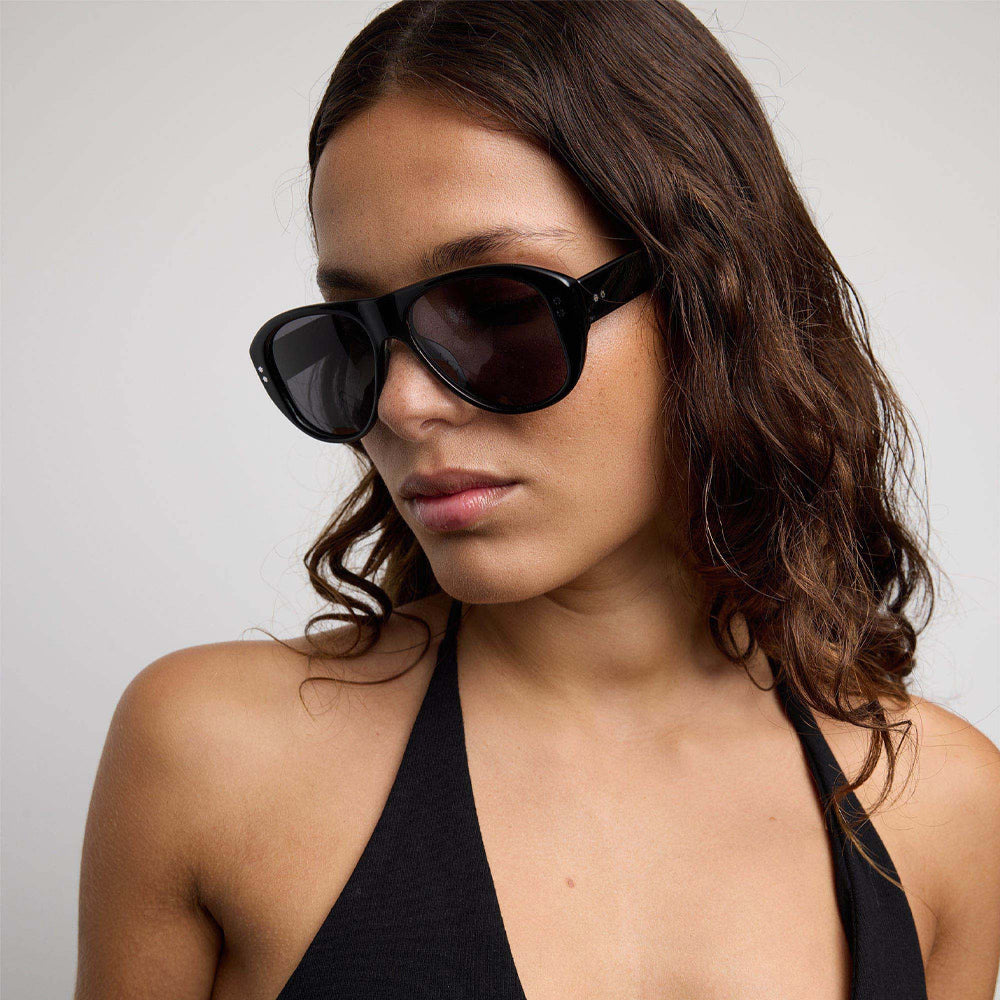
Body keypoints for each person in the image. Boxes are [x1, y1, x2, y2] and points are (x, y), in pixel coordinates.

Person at [75, 2, 1000, 998]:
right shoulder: (211, 752)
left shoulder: (942, 806)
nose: (401, 404)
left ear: (714, 300)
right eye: (351, 335)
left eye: (496, 309)